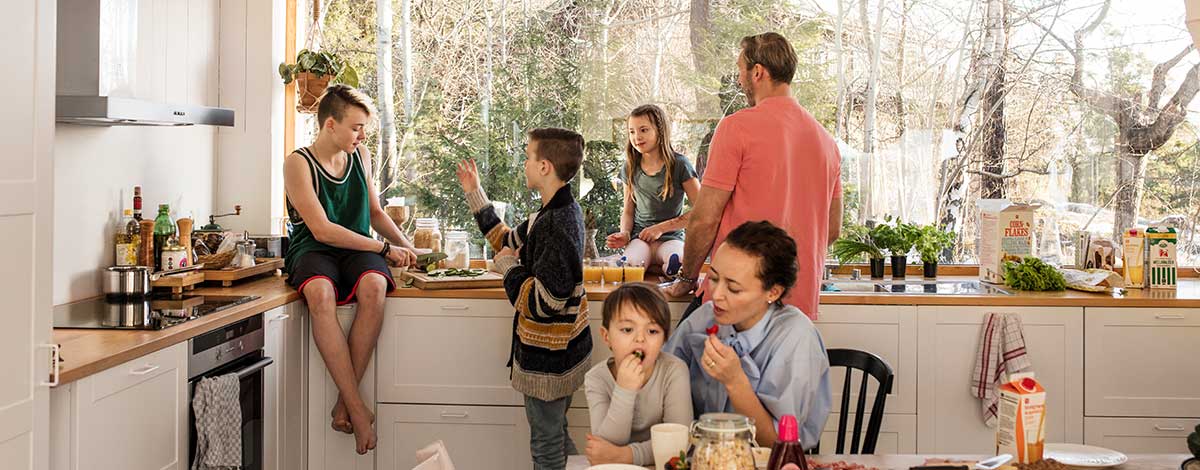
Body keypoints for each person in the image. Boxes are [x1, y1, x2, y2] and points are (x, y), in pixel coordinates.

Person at [663, 32, 843, 321]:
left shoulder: (736, 128)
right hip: (796, 310)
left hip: (737, 302)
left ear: (757, 72)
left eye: (740, 70)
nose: (739, 79)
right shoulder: (826, 142)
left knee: (679, 358)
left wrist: (687, 277)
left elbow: (705, 218)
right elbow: (832, 229)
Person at [282, 84, 418, 454]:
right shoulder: (298, 163)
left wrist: (407, 245)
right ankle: (357, 409)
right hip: (315, 248)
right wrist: (383, 247)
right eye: (357, 128)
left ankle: (345, 401)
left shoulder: (361, 156)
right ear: (330, 125)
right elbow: (323, 229)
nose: (362, 135)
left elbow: (374, 213)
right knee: (319, 293)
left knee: (375, 287)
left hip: (358, 246)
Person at [454, 128, 593, 470]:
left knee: (546, 450)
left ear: (545, 166)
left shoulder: (557, 224)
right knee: (557, 436)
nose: (525, 164)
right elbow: (505, 239)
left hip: (549, 363)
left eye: (529, 157)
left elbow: (545, 302)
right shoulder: (546, 215)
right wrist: (476, 194)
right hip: (561, 354)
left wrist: (507, 269)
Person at [664, 221, 832, 449]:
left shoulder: (796, 338)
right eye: (713, 278)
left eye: (733, 288)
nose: (717, 294)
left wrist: (735, 381)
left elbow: (779, 446)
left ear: (773, 292)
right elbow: (661, 383)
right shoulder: (704, 318)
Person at [584, 283, 693, 466]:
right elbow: (605, 447)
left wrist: (626, 456)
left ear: (664, 338)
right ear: (606, 336)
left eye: (652, 331)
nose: (640, 338)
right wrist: (624, 390)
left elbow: (680, 443)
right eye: (627, 329)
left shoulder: (674, 371)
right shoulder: (596, 379)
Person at [605, 104, 701, 276]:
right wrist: (625, 234)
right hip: (640, 239)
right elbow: (628, 210)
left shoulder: (680, 165)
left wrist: (661, 228)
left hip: (671, 239)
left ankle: (670, 267)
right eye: (632, 132)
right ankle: (639, 264)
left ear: (660, 131)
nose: (637, 137)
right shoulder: (629, 166)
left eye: (643, 130)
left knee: (677, 261)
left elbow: (702, 211)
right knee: (628, 268)